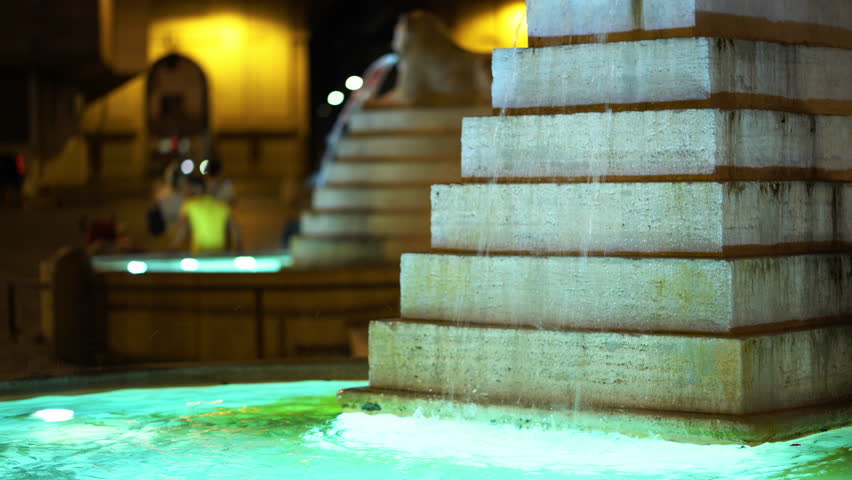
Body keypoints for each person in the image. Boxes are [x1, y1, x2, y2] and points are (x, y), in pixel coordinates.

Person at [171, 176, 241, 253]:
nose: (185, 192)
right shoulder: (222, 206)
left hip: (199, 254)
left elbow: (182, 229)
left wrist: (173, 247)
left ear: (195, 188)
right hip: (219, 253)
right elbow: (236, 231)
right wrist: (238, 249)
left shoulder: (190, 205)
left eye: (188, 188)